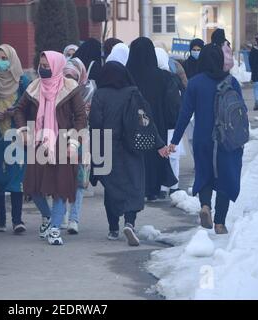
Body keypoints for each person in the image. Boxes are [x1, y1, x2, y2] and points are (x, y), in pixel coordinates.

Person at [169, 44, 245, 235]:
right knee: (225, 177)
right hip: (227, 140)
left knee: (205, 174)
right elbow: (241, 112)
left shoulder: (195, 83)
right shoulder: (232, 81)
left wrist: (175, 141)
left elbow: (184, 115)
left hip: (203, 138)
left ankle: (205, 206)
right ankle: (220, 223)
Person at [90, 61, 168, 245]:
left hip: (107, 146)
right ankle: (130, 223)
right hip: (131, 146)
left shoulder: (100, 94)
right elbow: (146, 120)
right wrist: (159, 144)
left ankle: (113, 228)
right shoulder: (133, 92)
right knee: (133, 185)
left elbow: (95, 123)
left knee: (111, 187)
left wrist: (93, 152)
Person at [14, 51, 87, 245]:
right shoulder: (34, 87)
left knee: (60, 189)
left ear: (56, 66)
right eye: (41, 65)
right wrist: (23, 130)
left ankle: (55, 229)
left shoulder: (70, 87)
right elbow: (19, 109)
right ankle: (47, 217)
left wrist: (73, 141)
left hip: (63, 144)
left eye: (47, 65)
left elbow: (81, 117)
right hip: (38, 143)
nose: (43, 69)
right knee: (33, 188)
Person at [126, 37, 177, 202]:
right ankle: (153, 189)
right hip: (157, 122)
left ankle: (136, 187)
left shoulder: (126, 75)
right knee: (154, 154)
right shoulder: (163, 77)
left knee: (135, 155)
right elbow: (171, 102)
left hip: (132, 124)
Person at [0, 44, 30, 233]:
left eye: (5, 59)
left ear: (12, 60)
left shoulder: (22, 81)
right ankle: (0, 219)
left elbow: (30, 106)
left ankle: (17, 220)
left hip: (16, 134)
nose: (1, 62)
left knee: (16, 176)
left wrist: (15, 112)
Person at [61, 57, 93, 234]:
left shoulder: (89, 90)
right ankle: (63, 215)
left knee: (79, 181)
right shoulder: (57, 90)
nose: (69, 81)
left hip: (84, 138)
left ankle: (74, 219)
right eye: (66, 77)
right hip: (62, 137)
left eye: (73, 78)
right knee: (62, 177)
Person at [155, 48, 185, 198]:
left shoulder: (152, 78)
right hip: (172, 123)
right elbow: (177, 101)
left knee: (162, 153)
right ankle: (173, 185)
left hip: (158, 122)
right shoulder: (172, 78)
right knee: (173, 154)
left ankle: (162, 186)